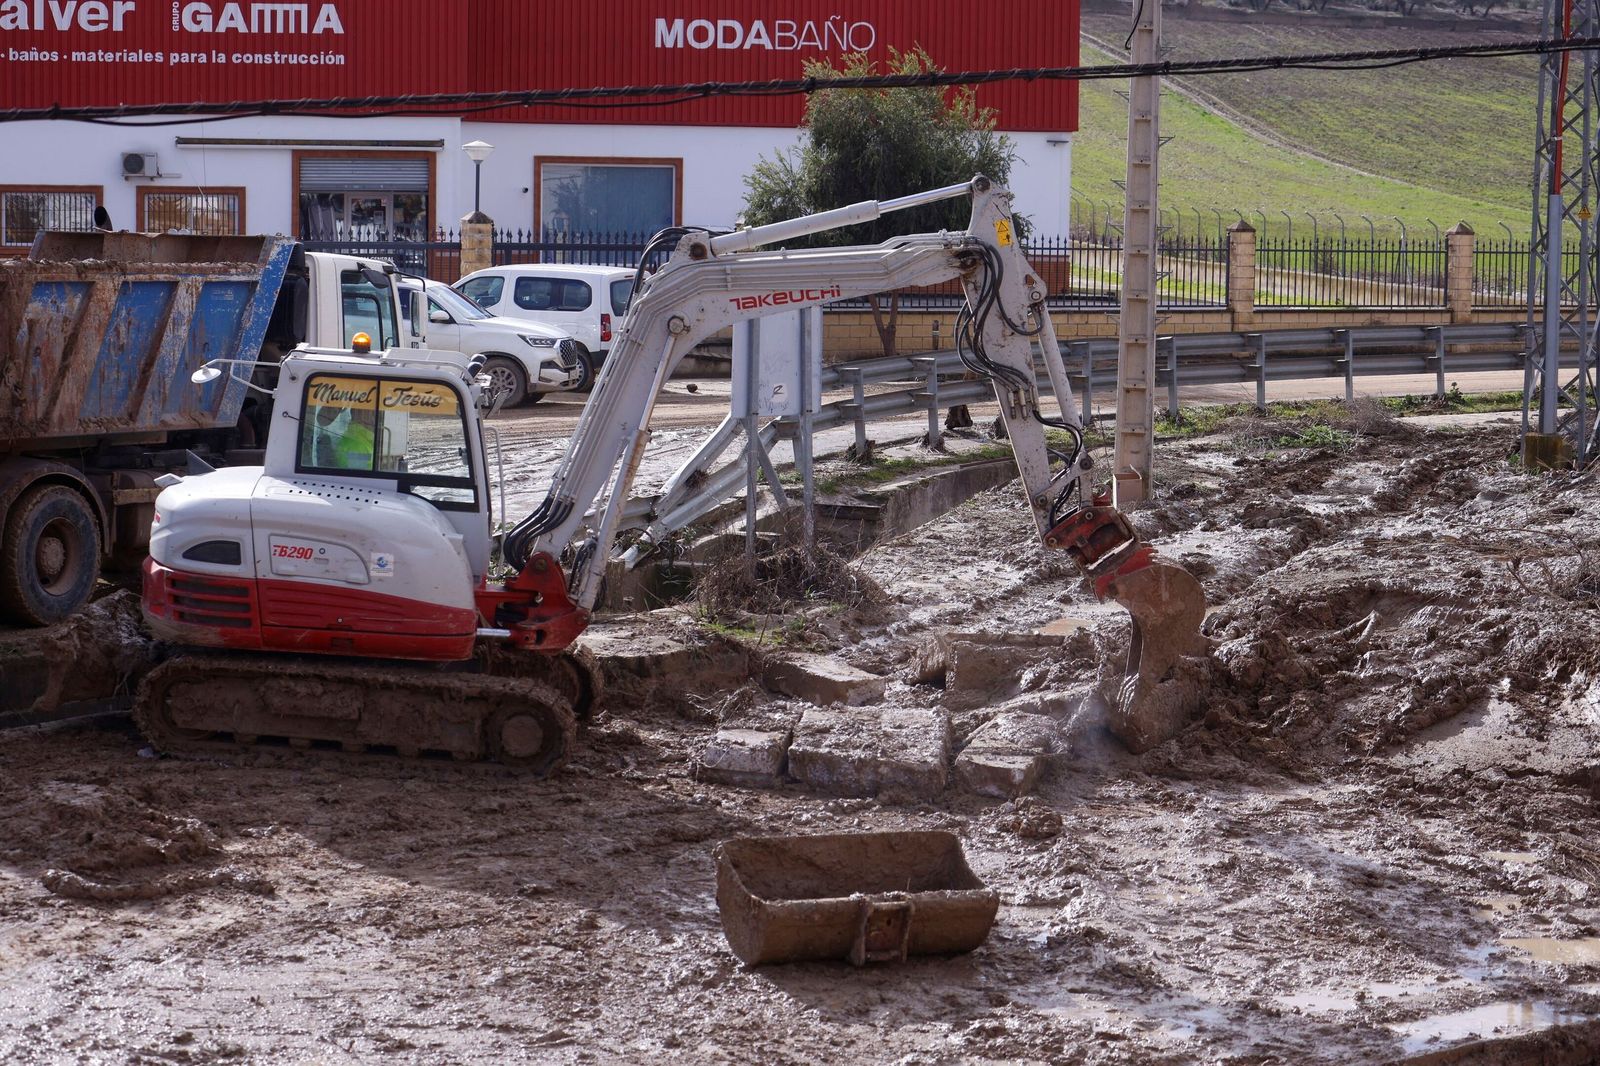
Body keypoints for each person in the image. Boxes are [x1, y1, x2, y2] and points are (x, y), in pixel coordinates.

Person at [310, 403, 375, 470]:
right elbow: (357, 477)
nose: (374, 418)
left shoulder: (360, 437)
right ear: (363, 417)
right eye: (372, 414)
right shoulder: (358, 446)